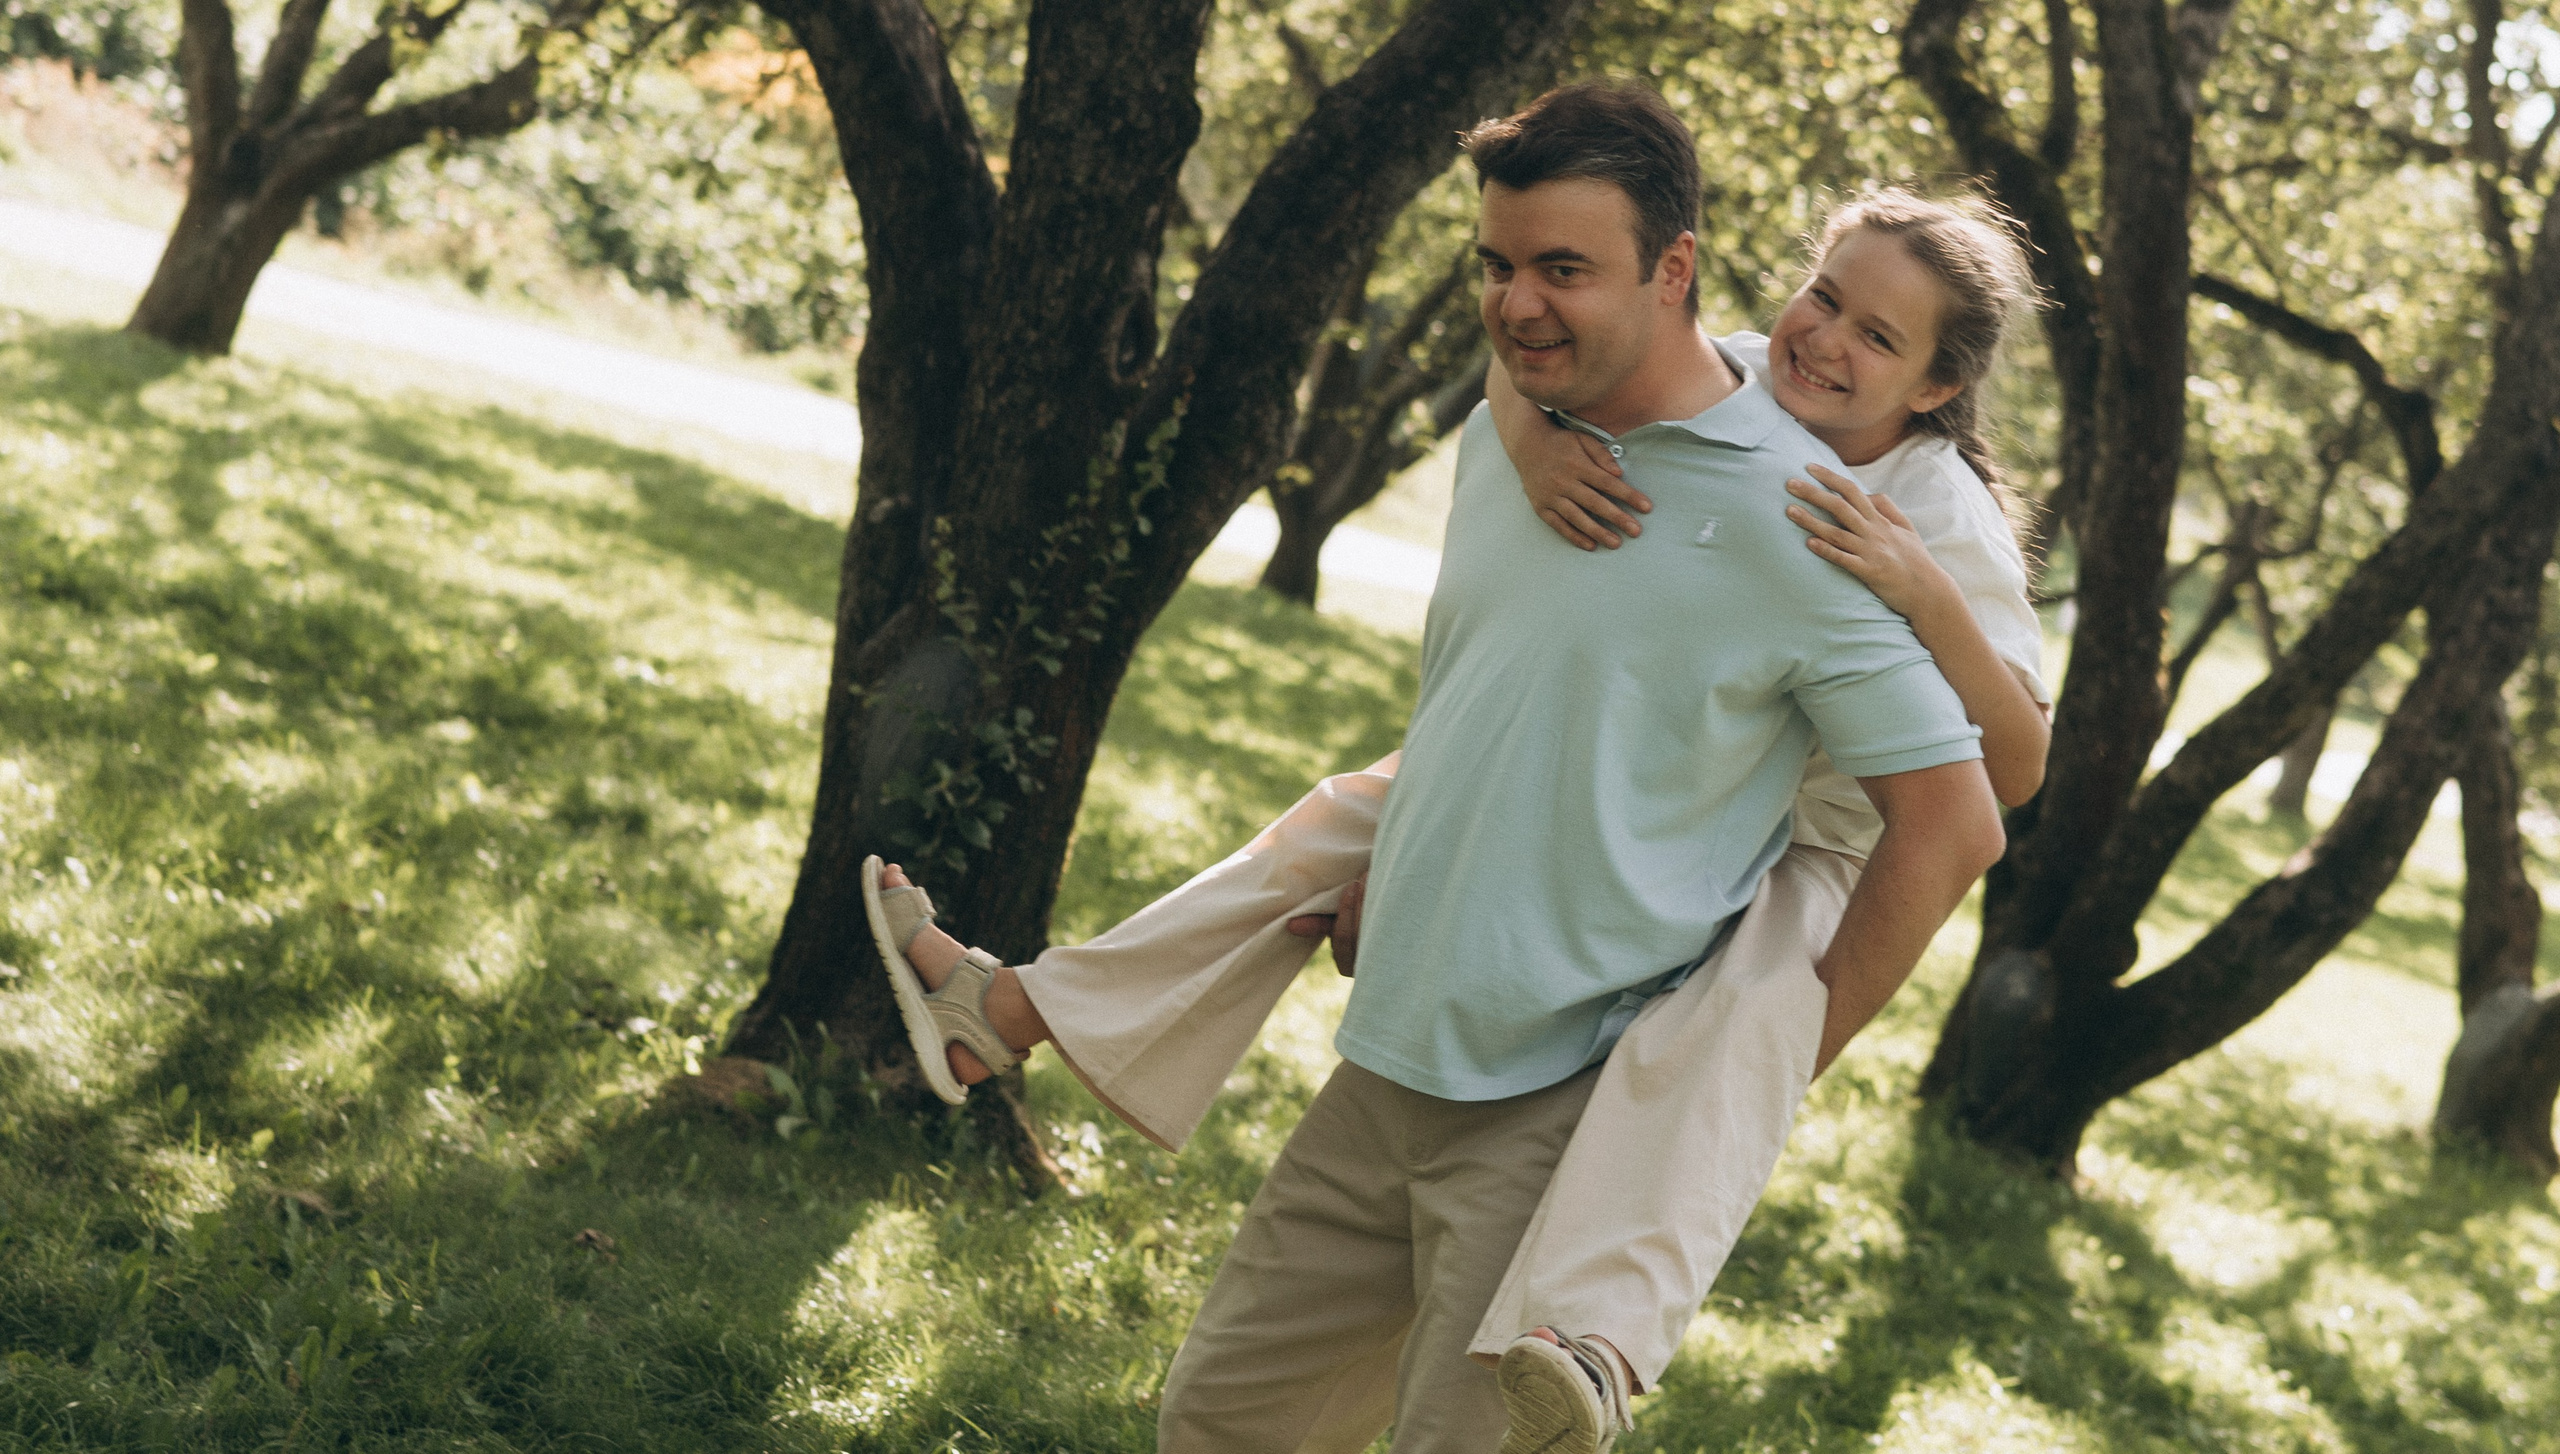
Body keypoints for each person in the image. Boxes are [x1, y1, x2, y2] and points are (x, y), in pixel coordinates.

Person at [867, 88, 2037, 1454]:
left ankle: (1602, 1331)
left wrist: (1786, 1048)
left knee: (1712, 1074)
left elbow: (1978, 798)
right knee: (1218, 1423)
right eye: (1497, 264)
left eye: (1563, 270)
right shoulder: (1540, 427)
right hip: (1396, 1059)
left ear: (1672, 270)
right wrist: (1531, 435)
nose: (1519, 304)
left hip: (1603, 1059)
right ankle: (1014, 1008)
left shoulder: (1848, 523)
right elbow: (1526, 683)